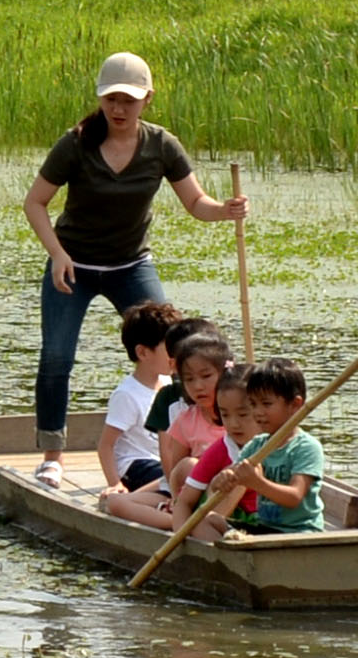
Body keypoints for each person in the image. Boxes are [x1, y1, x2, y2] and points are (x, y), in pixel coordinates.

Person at [21, 54, 252, 482]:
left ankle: (203, 439)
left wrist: (226, 210)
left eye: (128, 99)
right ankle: (53, 455)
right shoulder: (75, 143)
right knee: (57, 356)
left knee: (180, 348)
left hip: (131, 265)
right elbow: (35, 202)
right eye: (111, 99)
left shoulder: (161, 145)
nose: (119, 109)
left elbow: (196, 204)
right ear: (101, 99)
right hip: (74, 264)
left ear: (147, 98)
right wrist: (56, 253)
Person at [95, 332, 232, 525]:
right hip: (189, 494)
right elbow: (176, 472)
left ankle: (197, 521)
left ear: (224, 373)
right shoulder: (185, 420)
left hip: (229, 492)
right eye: (189, 379)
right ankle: (181, 523)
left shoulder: (238, 414)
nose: (198, 386)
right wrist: (178, 500)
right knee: (116, 503)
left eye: (206, 376)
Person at [206, 356, 325, 536]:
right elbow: (230, 477)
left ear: (295, 405)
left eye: (266, 404)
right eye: (253, 404)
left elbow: (294, 497)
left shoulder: (306, 447)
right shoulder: (257, 444)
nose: (258, 412)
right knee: (211, 519)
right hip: (265, 528)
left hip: (300, 532)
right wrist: (220, 480)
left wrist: (257, 483)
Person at [96, 304, 189, 494]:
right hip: (135, 466)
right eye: (170, 349)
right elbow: (106, 446)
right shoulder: (127, 395)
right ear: (143, 353)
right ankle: (126, 500)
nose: (178, 355)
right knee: (179, 480)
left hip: (160, 459)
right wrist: (115, 484)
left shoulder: (166, 381)